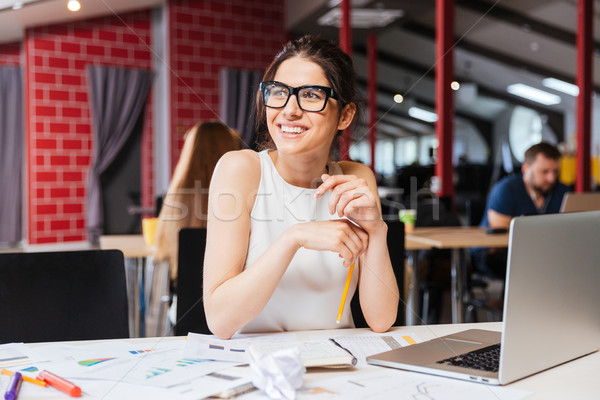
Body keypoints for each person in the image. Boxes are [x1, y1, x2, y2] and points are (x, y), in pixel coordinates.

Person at [203, 35, 399, 340]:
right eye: (279, 92)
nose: (289, 110)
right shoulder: (241, 169)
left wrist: (377, 231)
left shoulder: (355, 178)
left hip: (338, 364)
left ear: (345, 115)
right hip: (255, 366)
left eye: (310, 95)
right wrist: (295, 237)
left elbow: (381, 320)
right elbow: (220, 321)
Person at [154, 121, 241, 283]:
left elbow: (162, 253)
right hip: (233, 298)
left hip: (183, 302)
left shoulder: (175, 199)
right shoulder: (242, 198)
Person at [474, 142, 569, 279]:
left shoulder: (562, 191)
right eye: (544, 172)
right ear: (526, 169)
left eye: (555, 171)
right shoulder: (506, 189)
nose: (551, 178)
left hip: (543, 249)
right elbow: (502, 238)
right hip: (495, 252)